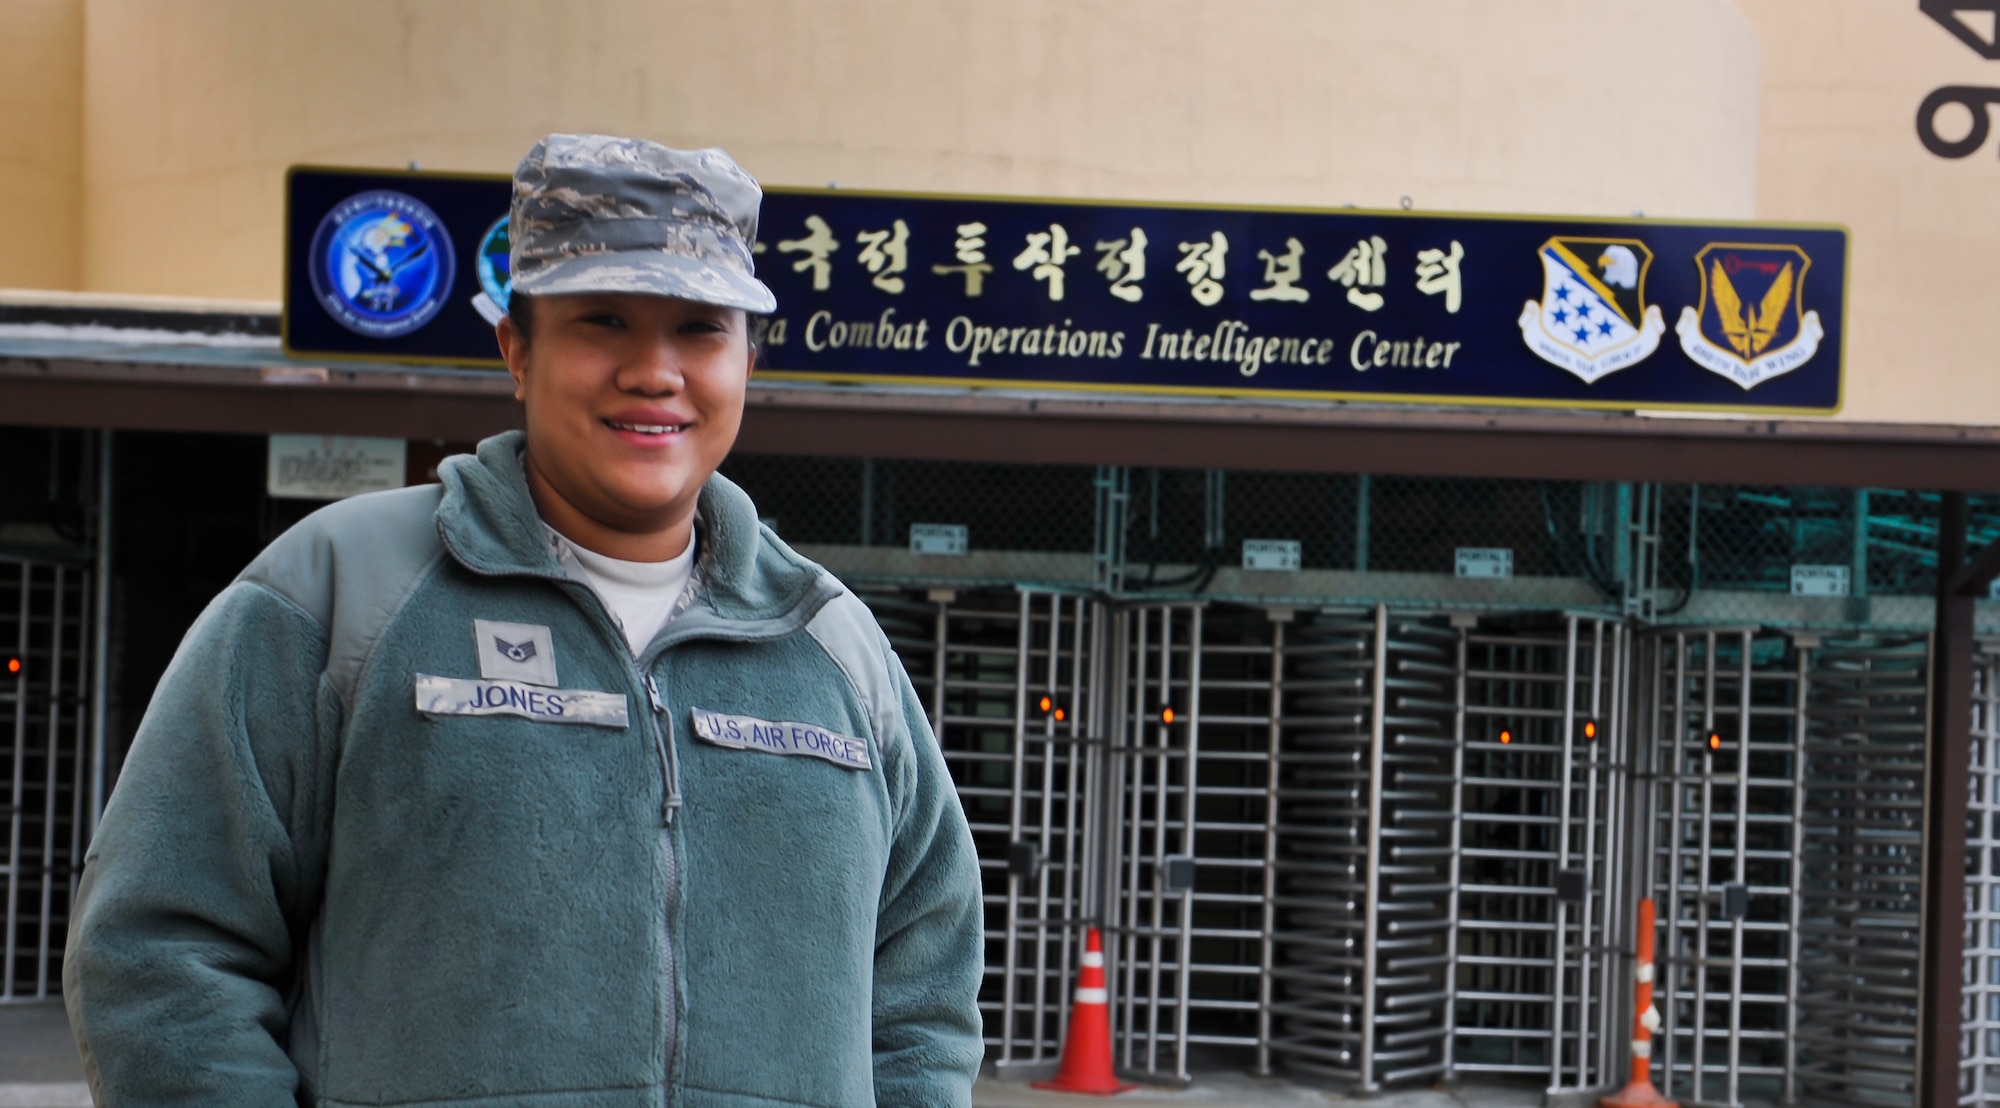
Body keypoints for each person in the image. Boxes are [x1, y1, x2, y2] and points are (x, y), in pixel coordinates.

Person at [64, 134, 985, 1107]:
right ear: (515, 345)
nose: (653, 371)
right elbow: (158, 949)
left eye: (700, 330)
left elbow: (922, 989)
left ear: (747, 358)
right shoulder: (336, 597)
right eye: (603, 321)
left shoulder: (831, 648)